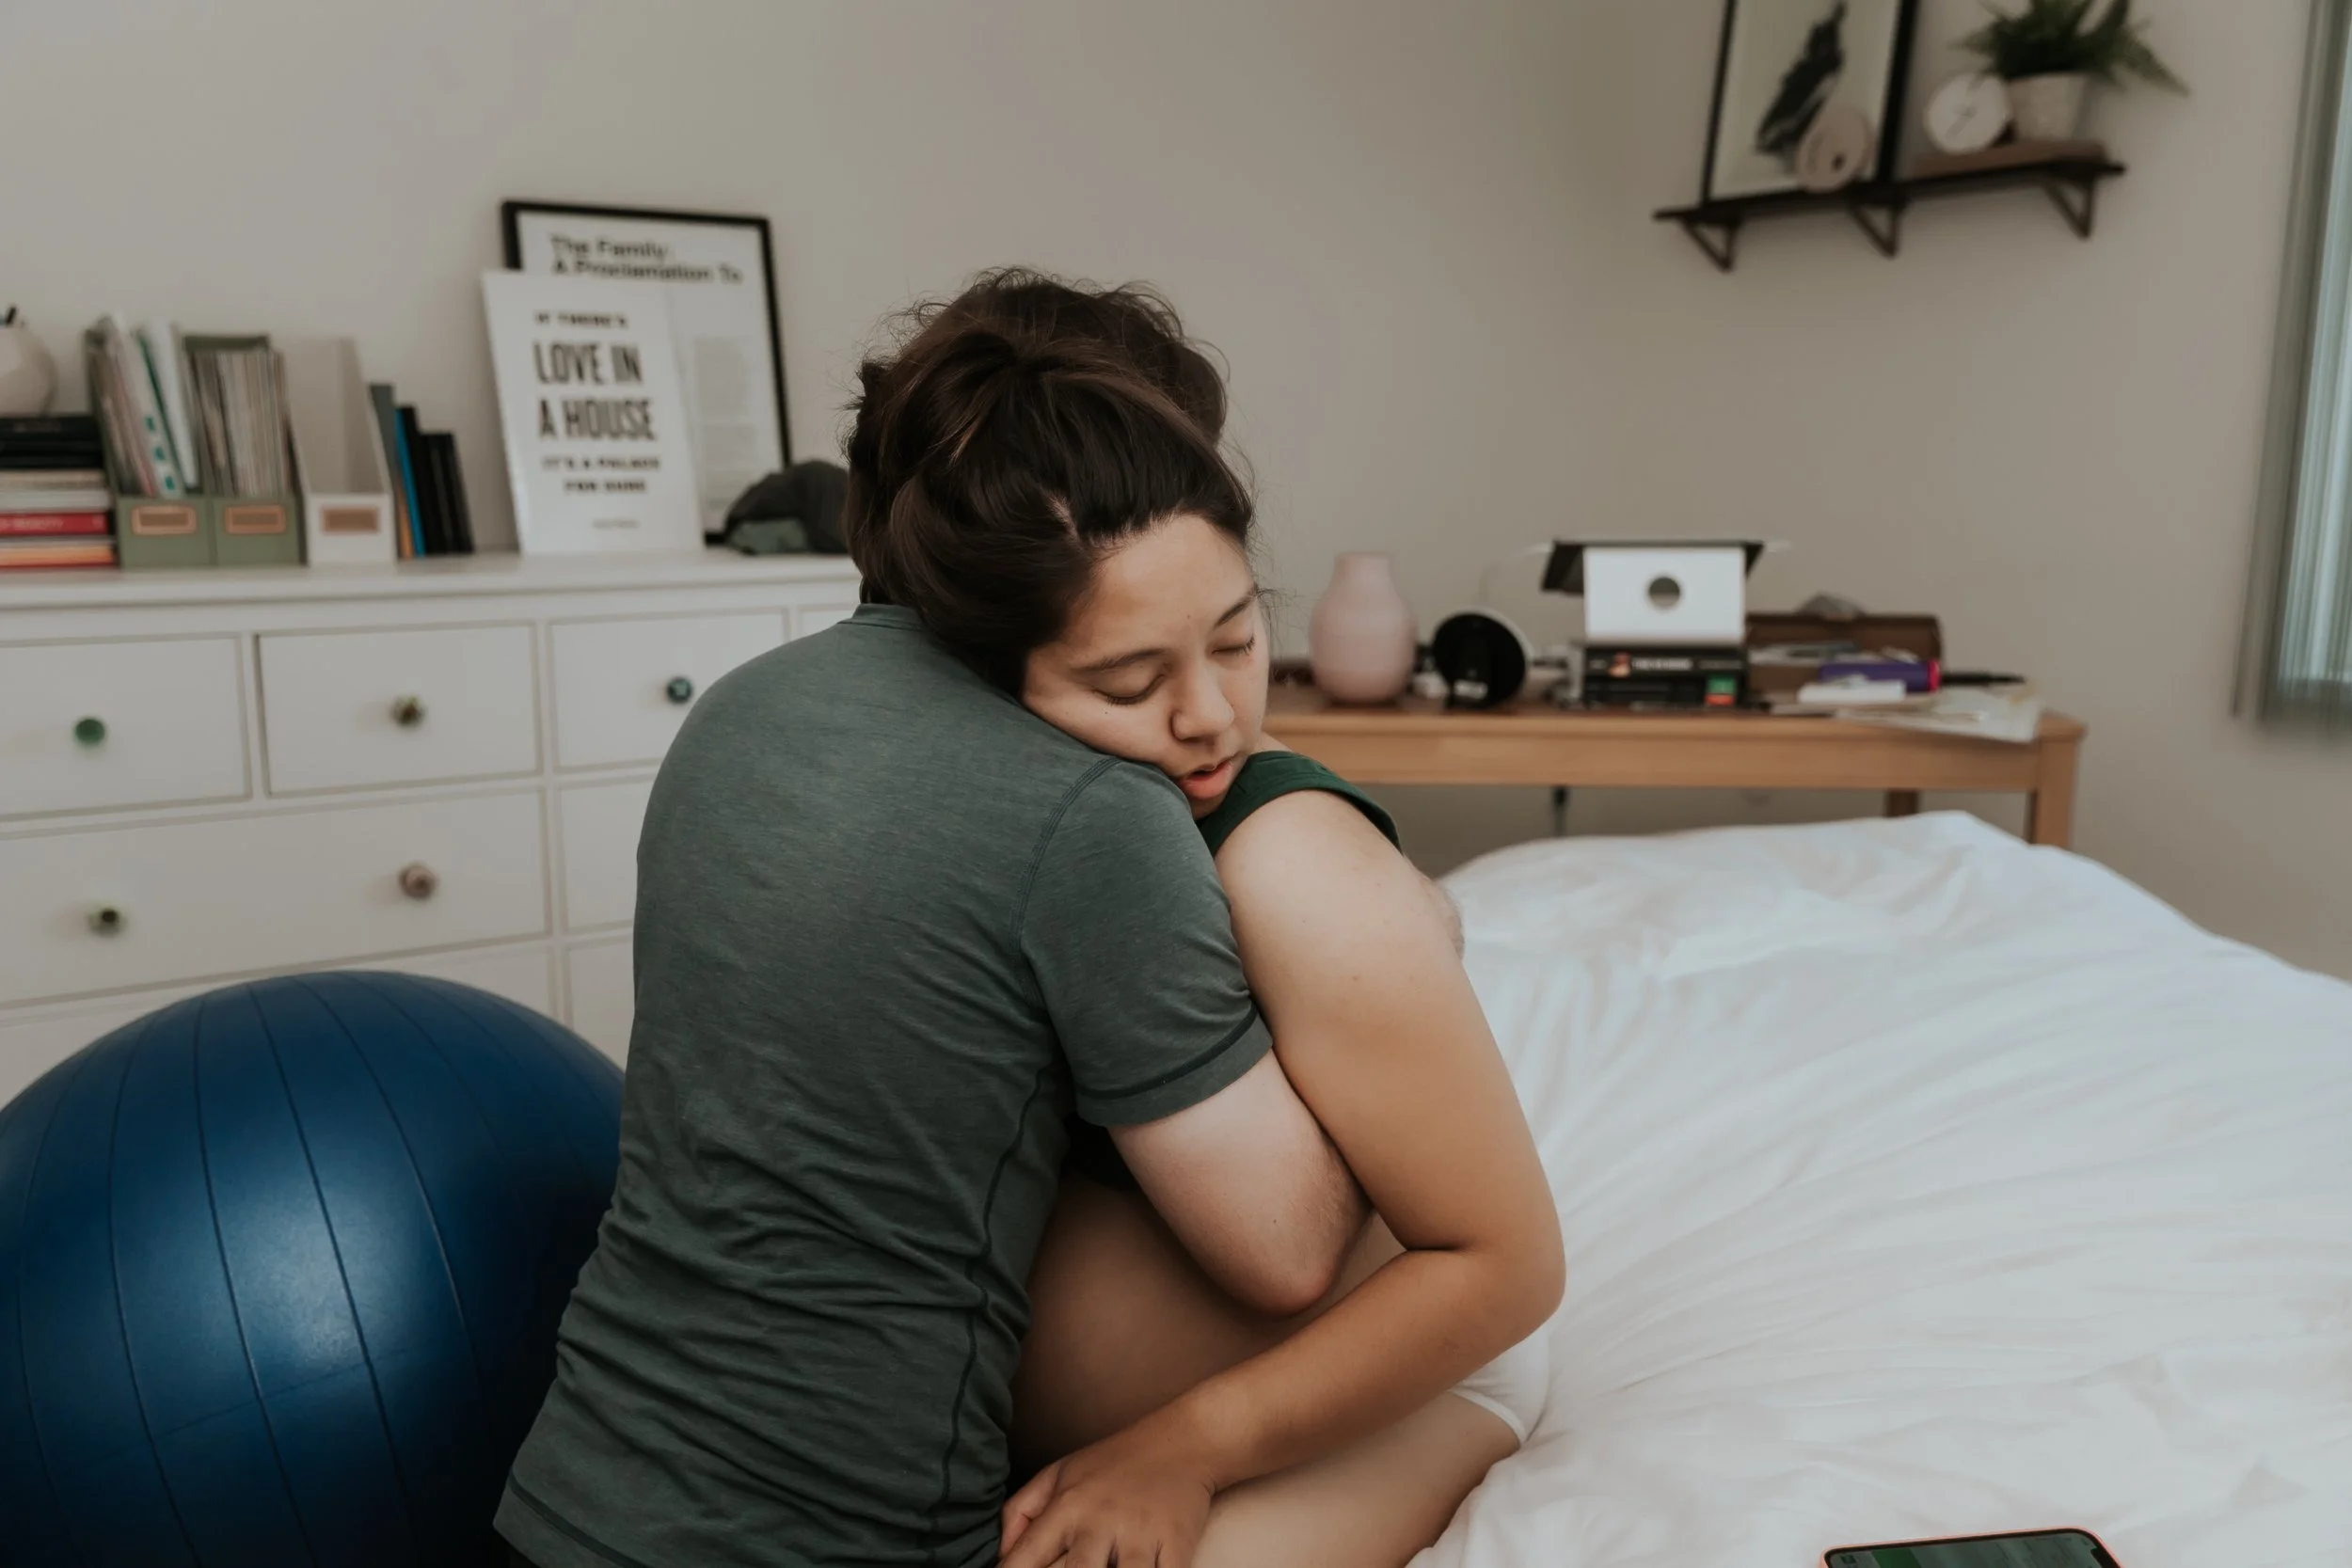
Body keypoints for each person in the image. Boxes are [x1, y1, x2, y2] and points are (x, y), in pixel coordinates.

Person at [494, 270, 1559, 1568]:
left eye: (1236, 638)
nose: (1212, 716)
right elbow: (1295, 1250)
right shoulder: (1096, 817)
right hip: (860, 1541)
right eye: (1129, 674)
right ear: (993, 631)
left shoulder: (728, 713)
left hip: (555, 1512)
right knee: (1485, 1361)